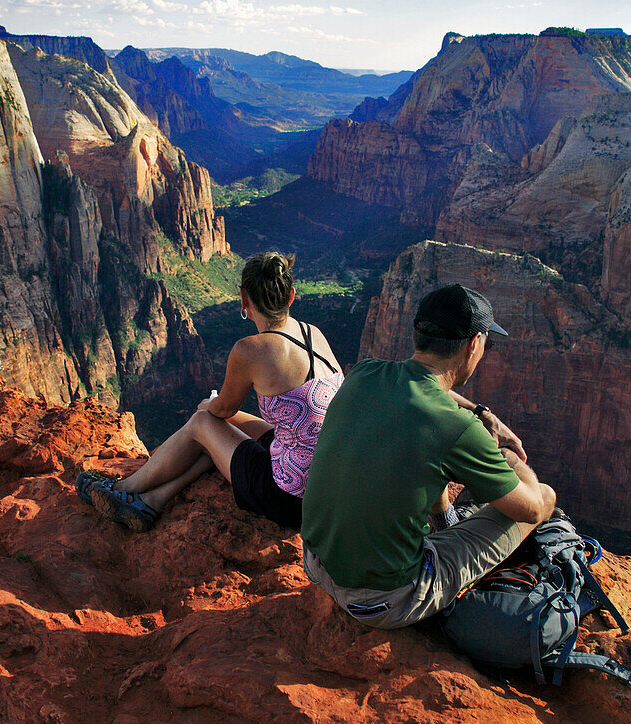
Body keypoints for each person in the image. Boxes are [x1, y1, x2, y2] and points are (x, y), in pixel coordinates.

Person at [300, 283, 557, 629]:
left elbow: (421, 393)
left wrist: (482, 414)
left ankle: (443, 522)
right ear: (474, 345)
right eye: (487, 344)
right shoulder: (457, 428)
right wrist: (507, 454)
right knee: (543, 497)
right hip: (383, 601)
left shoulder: (364, 374)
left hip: (316, 566)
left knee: (426, 461)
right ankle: (441, 542)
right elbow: (533, 508)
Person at [76, 252, 343, 532]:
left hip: (289, 498)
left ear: (244, 299)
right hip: (326, 490)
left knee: (204, 422)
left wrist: (207, 407)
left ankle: (123, 488)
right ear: (291, 296)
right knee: (217, 430)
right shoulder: (314, 333)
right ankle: (151, 501)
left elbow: (222, 410)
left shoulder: (250, 349)